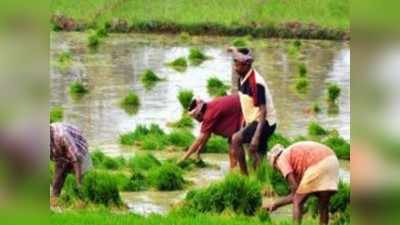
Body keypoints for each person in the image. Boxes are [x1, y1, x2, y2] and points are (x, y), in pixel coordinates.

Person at [264, 141, 340, 225]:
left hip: (319, 163)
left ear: (275, 161)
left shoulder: (281, 159)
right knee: (323, 204)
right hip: (333, 160)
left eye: (276, 168)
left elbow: (295, 194)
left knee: (297, 201)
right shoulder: (293, 155)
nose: (279, 171)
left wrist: (275, 204)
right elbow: (300, 192)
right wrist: (276, 204)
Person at [228, 47, 277, 175]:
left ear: (247, 65)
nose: (235, 67)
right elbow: (247, 105)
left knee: (236, 139)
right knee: (257, 156)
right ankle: (263, 177)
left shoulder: (256, 83)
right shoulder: (242, 77)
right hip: (255, 120)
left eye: (237, 65)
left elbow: (263, 110)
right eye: (235, 64)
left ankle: (245, 177)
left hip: (265, 121)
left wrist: (255, 137)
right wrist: (244, 126)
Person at [179, 95, 242, 168]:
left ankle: (240, 173)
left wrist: (183, 158)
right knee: (232, 152)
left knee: (234, 151)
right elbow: (206, 135)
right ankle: (234, 172)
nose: (196, 120)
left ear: (199, 114)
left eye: (195, 117)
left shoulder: (209, 115)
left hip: (243, 111)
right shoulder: (210, 107)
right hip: (235, 114)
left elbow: (200, 139)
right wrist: (199, 151)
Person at [50, 122, 92, 205]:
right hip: (60, 152)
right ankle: (54, 199)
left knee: (84, 178)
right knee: (58, 177)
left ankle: (84, 199)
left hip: (78, 149)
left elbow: (76, 159)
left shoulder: (62, 135)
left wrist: (78, 184)